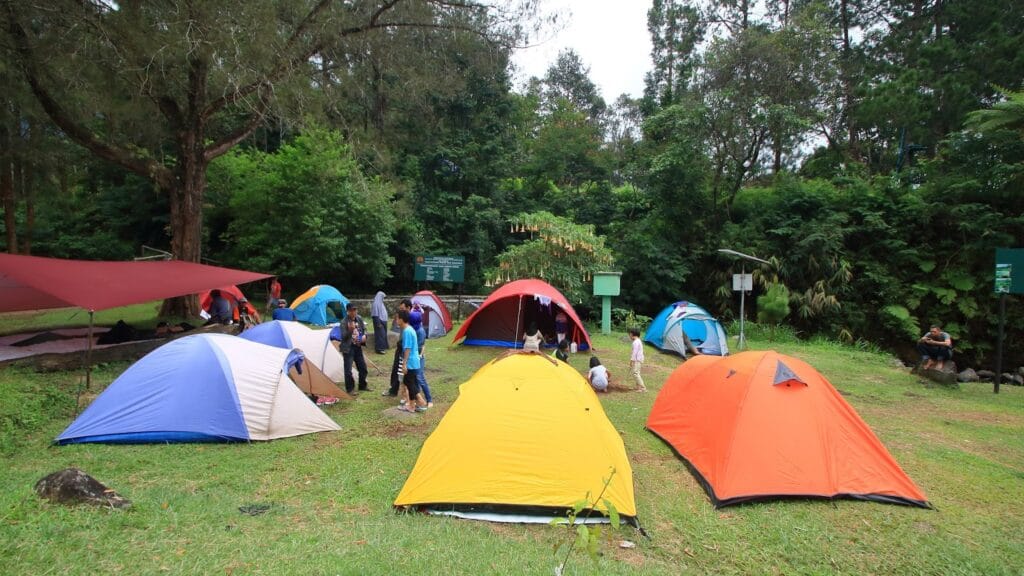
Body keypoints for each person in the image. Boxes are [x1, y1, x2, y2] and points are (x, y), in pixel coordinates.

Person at [396, 309, 427, 413]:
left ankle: (414, 404)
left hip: (411, 361)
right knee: (409, 382)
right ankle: (415, 403)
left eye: (397, 318)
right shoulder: (409, 329)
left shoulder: (407, 331)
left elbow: (408, 348)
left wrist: (404, 364)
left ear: (401, 319)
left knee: (409, 382)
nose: (396, 320)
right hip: (413, 361)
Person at [385, 299, 414, 397]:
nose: (400, 310)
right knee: (396, 368)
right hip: (401, 345)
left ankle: (412, 395)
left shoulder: (412, 319)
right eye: (400, 308)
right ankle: (393, 390)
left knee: (408, 372)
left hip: (407, 347)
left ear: (408, 308)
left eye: (402, 308)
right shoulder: (402, 317)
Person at [340, 303, 369, 394]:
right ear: (348, 311)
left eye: (355, 310)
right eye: (351, 310)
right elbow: (343, 337)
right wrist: (350, 330)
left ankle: (362, 386)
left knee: (363, 367)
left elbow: (364, 329)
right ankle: (350, 389)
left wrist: (365, 336)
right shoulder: (344, 322)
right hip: (348, 348)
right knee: (348, 370)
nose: (354, 312)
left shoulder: (359, 318)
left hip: (358, 346)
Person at [410, 303, 433, 408]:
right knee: (414, 378)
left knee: (420, 377)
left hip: (419, 357)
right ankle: (416, 398)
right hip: (414, 356)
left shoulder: (420, 331)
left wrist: (418, 356)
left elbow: (421, 346)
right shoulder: (414, 329)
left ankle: (429, 399)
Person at [629, 328, 647, 392]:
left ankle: (643, 388)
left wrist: (631, 361)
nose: (629, 336)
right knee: (637, 373)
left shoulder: (636, 342)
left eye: (630, 334)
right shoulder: (638, 341)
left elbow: (634, 353)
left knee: (635, 373)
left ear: (632, 334)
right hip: (639, 359)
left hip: (637, 360)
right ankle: (638, 387)